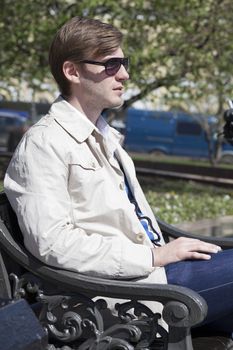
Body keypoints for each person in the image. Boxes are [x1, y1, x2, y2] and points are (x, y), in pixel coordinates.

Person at [3, 16, 233, 335]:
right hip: (121, 298)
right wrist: (154, 255)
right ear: (73, 71)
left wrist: (166, 251)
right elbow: (53, 243)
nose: (124, 74)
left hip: (154, 278)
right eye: (111, 65)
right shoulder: (44, 143)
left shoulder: (107, 137)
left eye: (123, 63)